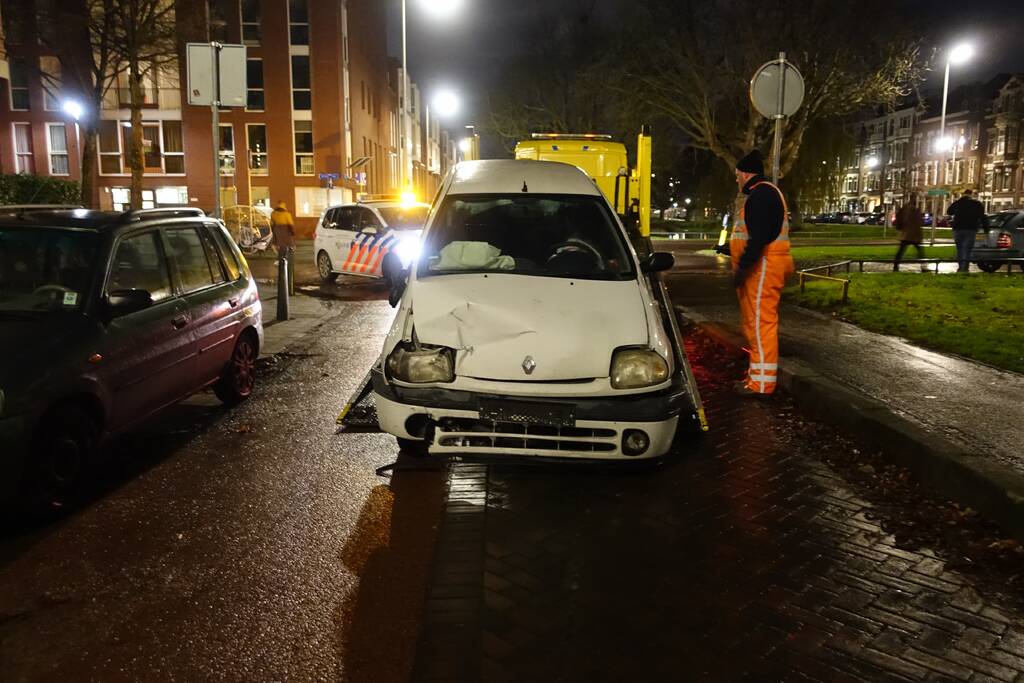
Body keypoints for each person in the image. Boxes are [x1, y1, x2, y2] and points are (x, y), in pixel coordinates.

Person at [727, 149, 795, 397]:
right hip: (765, 266)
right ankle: (756, 378)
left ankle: (762, 385)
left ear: (746, 174)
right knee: (756, 324)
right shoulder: (764, 194)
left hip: (763, 267)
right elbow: (755, 233)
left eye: (737, 175)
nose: (736, 180)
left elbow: (759, 238)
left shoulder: (761, 195)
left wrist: (744, 267)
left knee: (760, 325)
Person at [946, 189, 985, 273]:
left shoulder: (958, 203)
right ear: (971, 195)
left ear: (963, 194)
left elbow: (949, 211)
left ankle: (960, 267)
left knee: (959, 248)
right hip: (971, 229)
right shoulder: (976, 204)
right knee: (967, 249)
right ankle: (965, 268)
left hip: (958, 228)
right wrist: (985, 228)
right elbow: (982, 216)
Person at [893, 196, 926, 272]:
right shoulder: (914, 209)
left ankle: (895, 266)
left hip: (907, 233)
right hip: (913, 234)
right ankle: (923, 266)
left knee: (901, 251)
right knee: (919, 251)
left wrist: (900, 227)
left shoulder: (906, 208)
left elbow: (900, 218)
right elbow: (919, 221)